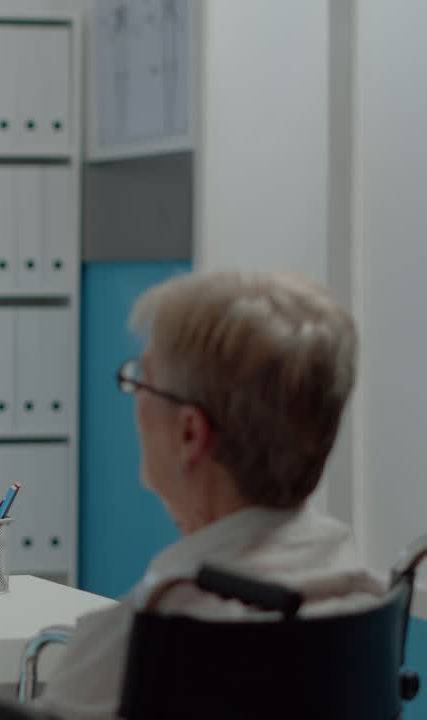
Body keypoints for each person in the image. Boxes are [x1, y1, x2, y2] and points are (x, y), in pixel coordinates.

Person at [36, 269, 383, 719]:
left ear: (189, 432)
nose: (135, 399)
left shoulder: (144, 636)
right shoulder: (356, 592)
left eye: (143, 380)